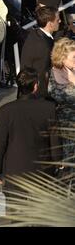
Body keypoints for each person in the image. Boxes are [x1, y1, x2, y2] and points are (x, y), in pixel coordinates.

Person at [0, 68, 62, 186]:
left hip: (15, 171)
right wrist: (58, 162)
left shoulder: (5, 110)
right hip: (42, 171)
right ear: (35, 86)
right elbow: (55, 140)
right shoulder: (48, 108)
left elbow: (0, 144)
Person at [48, 38, 75, 175]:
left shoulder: (72, 70)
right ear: (63, 58)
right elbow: (64, 97)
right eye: (74, 57)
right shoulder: (53, 75)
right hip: (64, 131)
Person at [21, 6, 60, 98]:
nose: (60, 21)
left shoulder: (34, 33)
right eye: (58, 20)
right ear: (50, 24)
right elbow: (42, 75)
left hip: (27, 88)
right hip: (38, 95)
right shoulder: (44, 47)